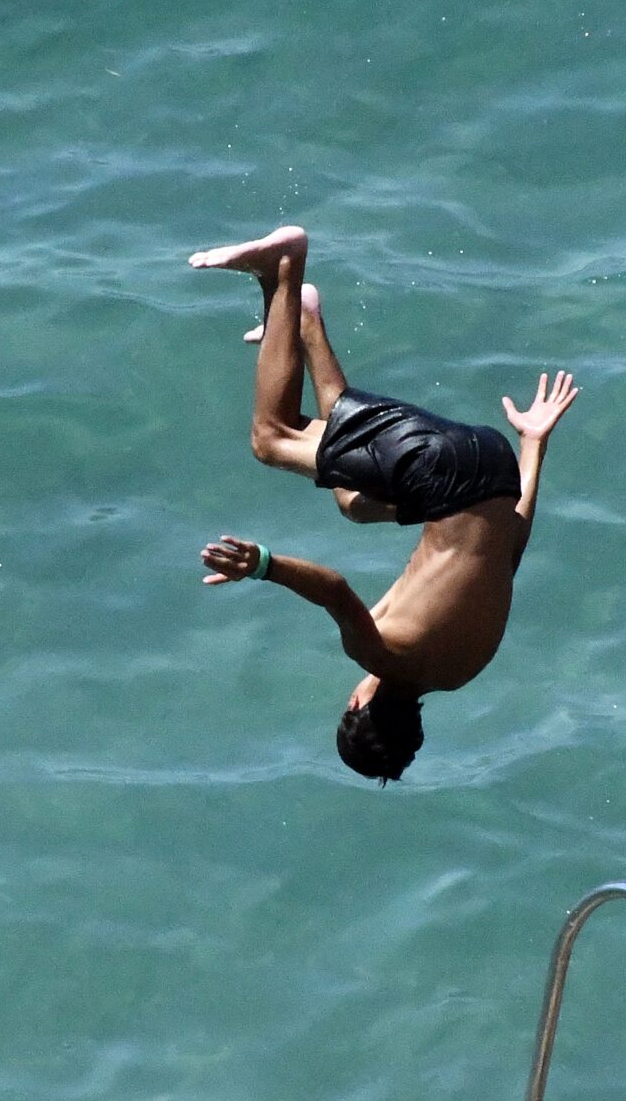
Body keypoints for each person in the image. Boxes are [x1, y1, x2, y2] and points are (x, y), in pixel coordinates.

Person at [187, 226, 579, 783]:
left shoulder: (466, 666)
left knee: (351, 496)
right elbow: (334, 589)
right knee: (272, 439)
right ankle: (284, 265)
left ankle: (303, 319)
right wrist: (262, 565)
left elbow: (508, 553)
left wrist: (532, 444)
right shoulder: (381, 657)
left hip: (493, 469)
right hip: (443, 476)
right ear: (356, 705)